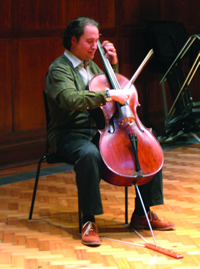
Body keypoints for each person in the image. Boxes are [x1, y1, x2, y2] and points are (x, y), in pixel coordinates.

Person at [45, 16, 175, 247]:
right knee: (89, 155)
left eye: (97, 40)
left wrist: (112, 65)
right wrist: (107, 94)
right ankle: (88, 221)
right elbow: (68, 98)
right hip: (68, 134)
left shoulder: (93, 65)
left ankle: (142, 215)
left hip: (98, 130)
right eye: (89, 41)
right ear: (73, 40)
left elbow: (110, 92)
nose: (95, 46)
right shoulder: (59, 69)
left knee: (147, 147)